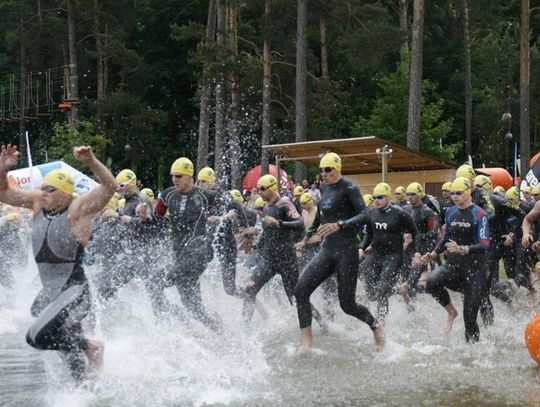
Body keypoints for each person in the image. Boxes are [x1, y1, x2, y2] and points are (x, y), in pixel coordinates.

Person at [0, 144, 117, 380]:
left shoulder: (79, 209)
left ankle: (91, 346)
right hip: (51, 293)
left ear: (65, 192)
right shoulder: (38, 202)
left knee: (36, 336)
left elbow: (110, 187)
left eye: (50, 189)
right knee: (70, 361)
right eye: (42, 188)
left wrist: (92, 161)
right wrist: (3, 168)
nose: (43, 193)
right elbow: (3, 193)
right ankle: (89, 391)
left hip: (74, 291)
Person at [294, 153, 384, 353]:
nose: (323, 173)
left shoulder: (349, 187)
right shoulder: (323, 188)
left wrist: (340, 225)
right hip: (327, 250)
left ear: (337, 168)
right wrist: (305, 239)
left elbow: (365, 215)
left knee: (347, 305)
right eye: (321, 170)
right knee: (300, 291)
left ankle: (375, 325)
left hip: (347, 250)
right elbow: (319, 219)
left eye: (328, 169)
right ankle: (306, 345)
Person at [155, 157, 223, 332]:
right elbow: (157, 220)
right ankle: (219, 330)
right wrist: (142, 216)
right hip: (180, 256)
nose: (174, 180)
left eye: (178, 176)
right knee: (193, 308)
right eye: (172, 176)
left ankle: (163, 323)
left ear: (188, 176)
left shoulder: (204, 195)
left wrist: (229, 220)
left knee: (155, 282)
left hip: (198, 254)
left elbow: (232, 205)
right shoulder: (168, 195)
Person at [423, 177, 490, 343]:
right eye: (452, 193)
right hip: (453, 266)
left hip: (475, 270)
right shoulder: (451, 212)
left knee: (469, 318)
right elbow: (446, 238)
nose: (454, 196)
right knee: (431, 282)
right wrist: (433, 253)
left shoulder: (479, 214)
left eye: (458, 193)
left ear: (468, 193)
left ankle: (473, 355)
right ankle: (451, 311)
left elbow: (485, 244)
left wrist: (463, 249)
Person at [360, 182, 420, 320]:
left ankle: (381, 323)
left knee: (381, 291)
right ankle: (397, 291)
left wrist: (417, 253)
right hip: (376, 255)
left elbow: (415, 233)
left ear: (388, 198)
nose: (376, 200)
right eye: (374, 197)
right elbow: (368, 235)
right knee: (366, 280)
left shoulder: (400, 214)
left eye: (380, 197)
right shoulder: (372, 213)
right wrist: (361, 248)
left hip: (393, 257)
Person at [399, 182, 439, 308]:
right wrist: (403, 237)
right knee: (405, 278)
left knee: (412, 278)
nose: (409, 197)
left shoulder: (428, 212)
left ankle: (413, 303)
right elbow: (398, 227)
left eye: (413, 194)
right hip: (408, 249)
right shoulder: (405, 210)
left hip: (422, 249)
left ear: (420, 195)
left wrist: (418, 238)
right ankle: (411, 307)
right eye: (408, 194)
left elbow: (433, 232)